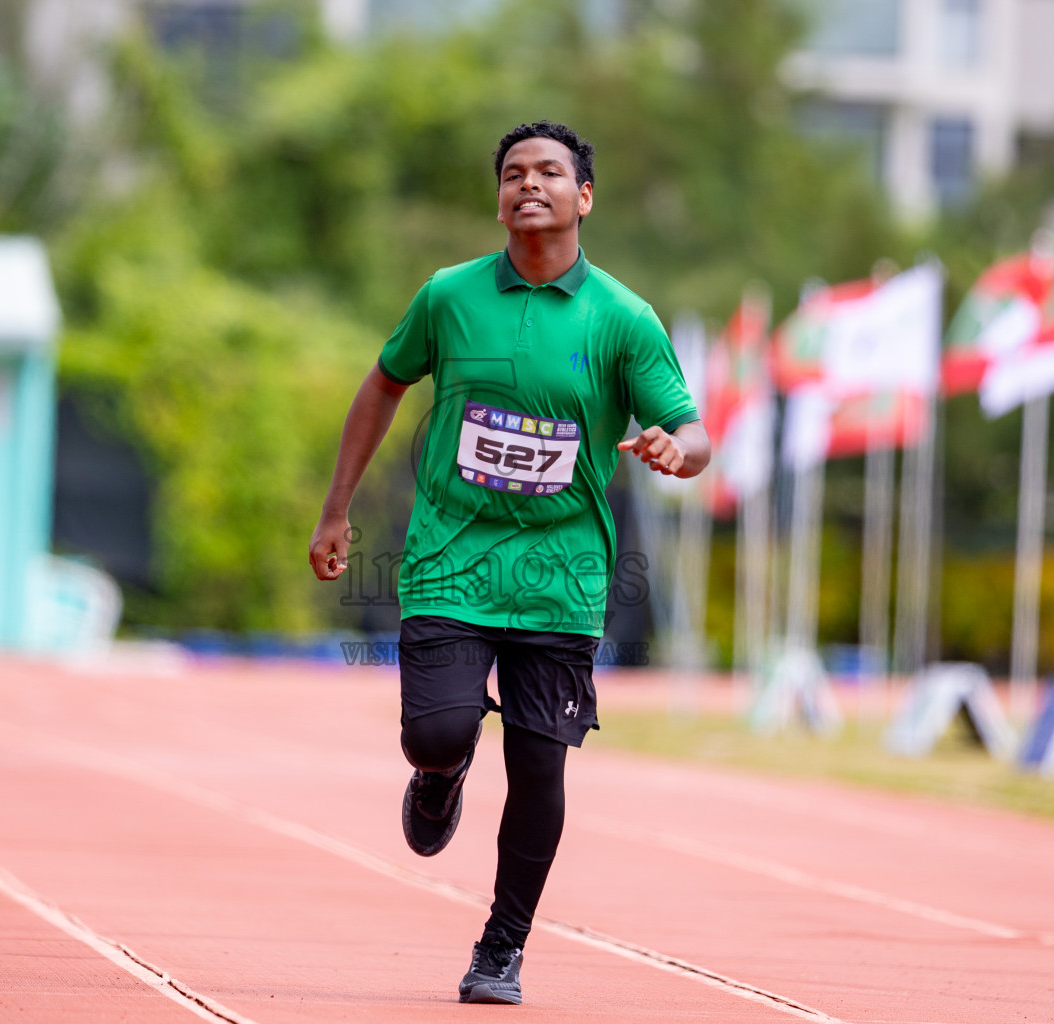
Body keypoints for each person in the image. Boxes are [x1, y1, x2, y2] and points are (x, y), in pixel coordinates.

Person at [309, 120, 709, 1005]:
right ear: (499, 197)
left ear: (584, 197)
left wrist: (681, 452)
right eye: (514, 174)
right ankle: (440, 774)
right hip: (450, 558)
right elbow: (382, 383)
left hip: (562, 578)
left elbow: (692, 428)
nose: (530, 185)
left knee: (539, 768)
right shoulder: (448, 298)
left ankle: (502, 946)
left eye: (551, 173)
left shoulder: (622, 318)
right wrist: (337, 510)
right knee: (436, 730)